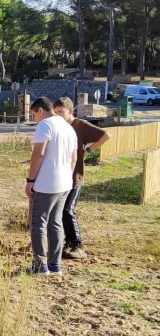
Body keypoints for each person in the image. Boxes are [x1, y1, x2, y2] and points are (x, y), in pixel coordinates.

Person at [52, 97, 110, 259]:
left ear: (70, 111)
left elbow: (105, 135)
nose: (58, 115)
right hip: (60, 175)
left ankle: (76, 244)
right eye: (55, 112)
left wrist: (88, 151)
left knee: (67, 210)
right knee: (60, 211)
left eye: (61, 112)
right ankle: (68, 242)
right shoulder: (58, 127)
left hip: (74, 176)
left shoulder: (80, 126)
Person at [25, 97, 78, 275]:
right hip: (64, 184)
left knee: (38, 223)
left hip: (46, 184)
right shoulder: (67, 127)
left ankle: (40, 266)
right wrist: (66, 178)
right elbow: (74, 159)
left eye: (34, 115)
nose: (35, 119)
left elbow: (37, 155)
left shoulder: (45, 125)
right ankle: (55, 265)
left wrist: (30, 180)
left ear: (40, 110)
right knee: (55, 223)